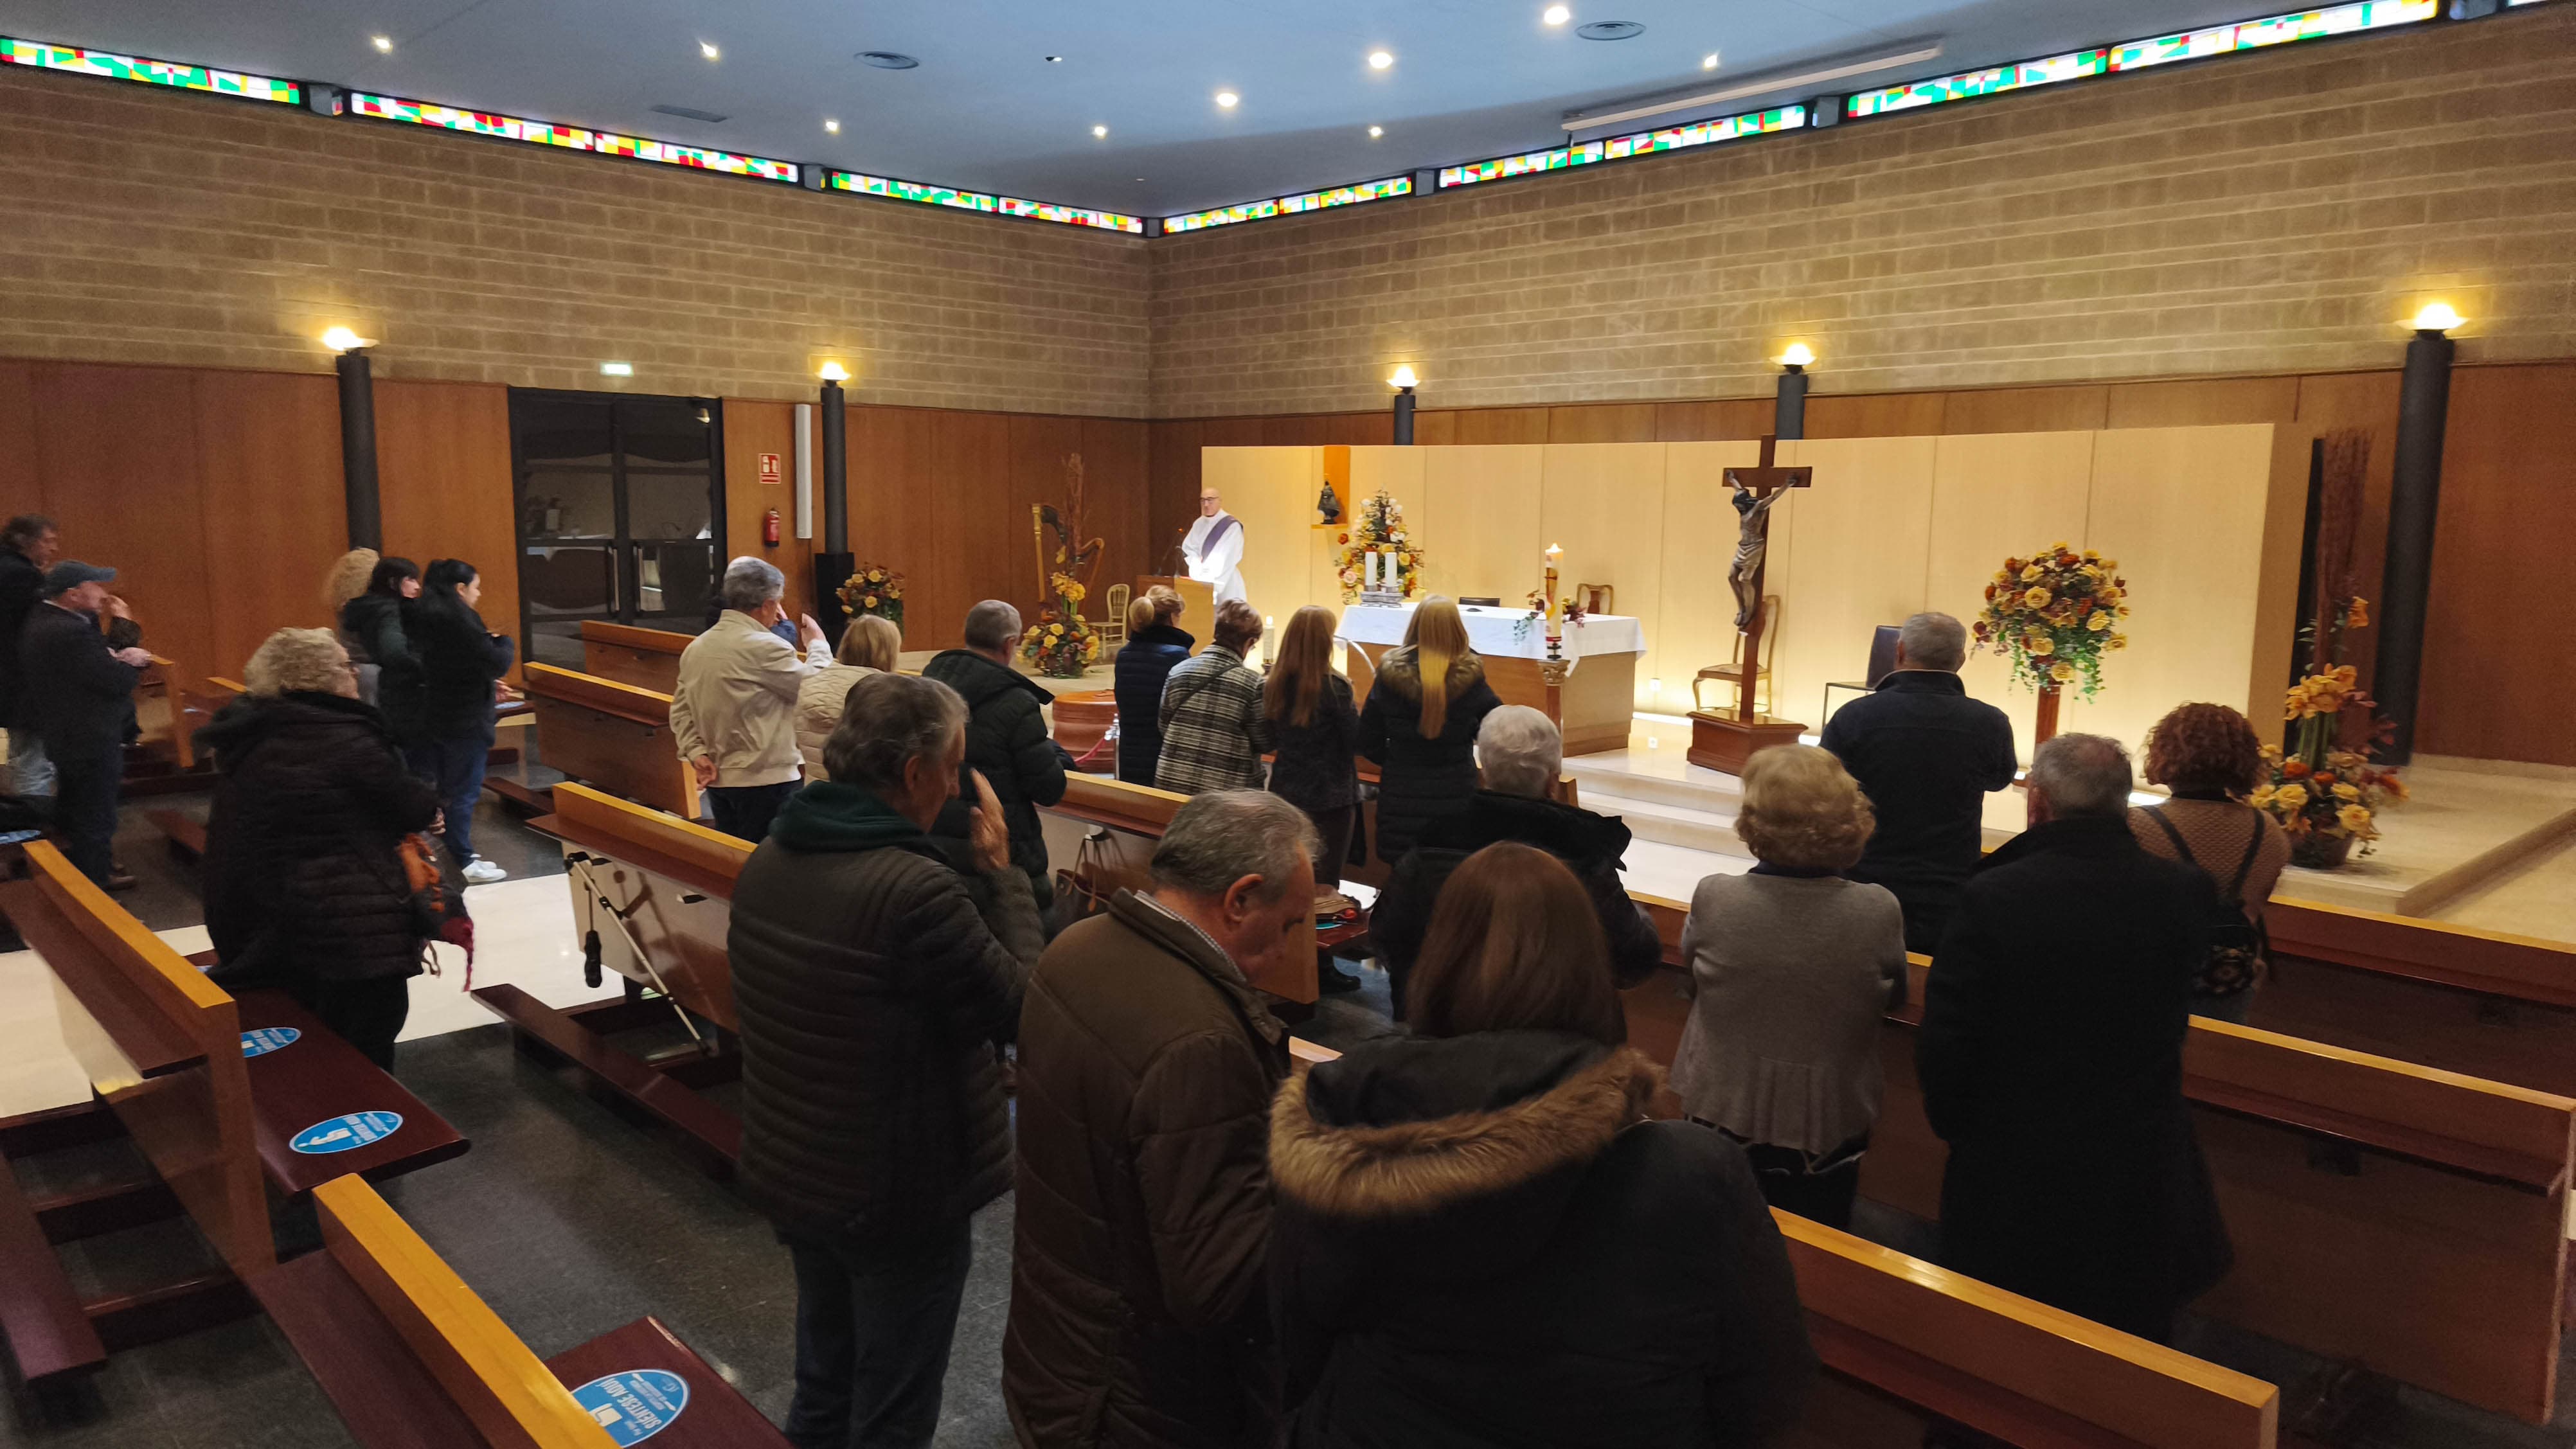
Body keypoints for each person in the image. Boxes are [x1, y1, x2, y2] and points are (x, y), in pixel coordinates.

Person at [1269, 842, 1815, 1448]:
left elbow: (1298, 1337)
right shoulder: (1693, 1170)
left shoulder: (1346, 1125)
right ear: (1590, 970)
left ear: (1437, 961)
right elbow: (1768, 1390)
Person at [730, 671, 1040, 1449]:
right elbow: (1027, 1011)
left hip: (799, 1166)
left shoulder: (772, 853)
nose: (960, 783)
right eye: (954, 764)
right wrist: (1003, 877)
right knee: (894, 1408)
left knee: (826, 1381)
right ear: (914, 773)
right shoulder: (913, 891)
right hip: (897, 1191)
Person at [1004, 790, 1319, 1449]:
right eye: (1290, 924)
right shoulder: (1199, 1042)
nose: (1292, 945)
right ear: (1239, 898)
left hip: (1057, 1342)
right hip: (1140, 1399)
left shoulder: (1077, 946)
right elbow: (1217, 1281)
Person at [1917, 734, 2231, 1344]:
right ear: (2124, 805)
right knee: (2125, 1329)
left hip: (2013, 1156)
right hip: (2138, 1151)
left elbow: (1948, 1038)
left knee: (2001, 1331)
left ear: (2037, 804)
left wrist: (1963, 1130)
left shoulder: (1993, 893)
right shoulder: (2183, 889)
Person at [1671, 745, 1906, 1230]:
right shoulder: (1877, 909)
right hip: (1826, 1119)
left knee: (1715, 1238)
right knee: (1816, 1254)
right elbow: (1895, 998)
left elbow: (1693, 979)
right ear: (1849, 818)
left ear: (1754, 820)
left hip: (1721, 1103)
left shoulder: (1717, 895)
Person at [198, 629, 442, 1070]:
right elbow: (411, 804)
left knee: (321, 1036)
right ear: (330, 677)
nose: (354, 674)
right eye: (348, 666)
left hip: (273, 913)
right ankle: (374, 1124)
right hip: (348, 924)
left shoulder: (253, 730)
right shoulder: (341, 735)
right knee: (368, 1037)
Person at [1369, 706, 1659, 1018]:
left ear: (1483, 774)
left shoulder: (1433, 843)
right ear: (1552, 781)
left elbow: (1387, 938)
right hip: (1551, 1040)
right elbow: (1633, 959)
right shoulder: (1582, 854)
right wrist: (1642, 917)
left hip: (1438, 1026)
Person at [1819, 611, 2017, 954]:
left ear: (1899, 652)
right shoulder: (1990, 723)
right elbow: (1999, 780)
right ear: (1960, 660)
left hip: (1865, 879)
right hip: (1948, 886)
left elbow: (1822, 787)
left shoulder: (1854, 716)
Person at [2129, 702, 2291, 1024]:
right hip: (2227, 980)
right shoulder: (2268, 830)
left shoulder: (2135, 825)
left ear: (2163, 752)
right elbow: (2256, 907)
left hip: (2150, 980)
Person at [670, 556, 830, 844]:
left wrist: (696, 753)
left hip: (720, 780)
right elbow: (815, 689)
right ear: (768, 604)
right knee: (769, 871)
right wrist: (818, 644)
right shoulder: (766, 647)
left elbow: (681, 711)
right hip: (767, 781)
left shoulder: (697, 647)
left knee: (735, 864)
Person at [923, 601, 1068, 907]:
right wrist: (1054, 753)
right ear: (1010, 644)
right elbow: (1049, 788)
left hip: (933, 852)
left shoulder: (926, 688)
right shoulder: (1016, 702)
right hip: (1002, 862)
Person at [18, 562, 152, 887]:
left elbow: (92, 667)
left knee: (76, 807)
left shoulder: (47, 618)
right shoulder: (69, 632)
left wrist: (115, 649)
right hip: (88, 736)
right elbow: (115, 682)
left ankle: (89, 871)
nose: (104, 593)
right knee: (95, 814)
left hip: (66, 732)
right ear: (73, 594)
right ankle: (93, 887)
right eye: (97, 586)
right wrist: (134, 662)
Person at [390, 558, 515, 883]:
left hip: (431, 715)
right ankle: (460, 860)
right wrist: (503, 642)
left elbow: (452, 668)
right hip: (463, 719)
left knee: (437, 789)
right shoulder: (458, 619)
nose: (479, 593)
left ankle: (441, 855)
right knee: (462, 791)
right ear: (460, 589)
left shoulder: (419, 616)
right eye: (475, 587)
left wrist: (485, 682)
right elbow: (492, 661)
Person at [1358, 596, 1503, 865]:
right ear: (1457, 629)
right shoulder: (1471, 680)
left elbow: (1367, 739)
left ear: (1415, 626)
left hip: (1402, 794)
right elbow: (1497, 729)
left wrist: (1396, 759)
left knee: (1404, 882)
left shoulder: (1389, 678)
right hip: (1456, 793)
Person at [1156, 598, 1273, 795]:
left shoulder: (1178, 671)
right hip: (1225, 793)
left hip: (1172, 782)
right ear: (1249, 642)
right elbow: (1264, 741)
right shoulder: (1252, 684)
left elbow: (1164, 726)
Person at [793, 613, 902, 780]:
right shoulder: (886, 696)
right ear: (888, 652)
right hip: (863, 800)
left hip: (815, 795)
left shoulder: (810, 683)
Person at [0, 514, 62, 800]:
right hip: (25, 680)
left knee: (24, 751)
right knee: (32, 757)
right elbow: (41, 625)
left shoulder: (9, 567)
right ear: (24, 541)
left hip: (11, 678)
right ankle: (35, 828)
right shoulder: (20, 575)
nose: (54, 548)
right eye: (47, 541)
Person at [1114, 585, 1193, 788]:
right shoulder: (1177, 656)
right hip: (1163, 752)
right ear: (1173, 618)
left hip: (1129, 749)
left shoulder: (1124, 655)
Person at [338, 555, 420, 709]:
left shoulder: (362, 606)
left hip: (359, 673)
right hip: (385, 681)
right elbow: (394, 653)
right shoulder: (388, 611)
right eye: (411, 579)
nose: (417, 586)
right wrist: (425, 669)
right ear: (392, 582)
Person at [1183, 486, 1247, 606]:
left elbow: (1227, 556)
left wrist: (1210, 580)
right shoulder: (1199, 524)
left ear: (1219, 501)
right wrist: (1196, 565)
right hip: (1201, 580)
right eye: (1203, 500)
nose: (1206, 504)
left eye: (1210, 500)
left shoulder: (1231, 527)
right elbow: (1189, 549)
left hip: (1227, 583)